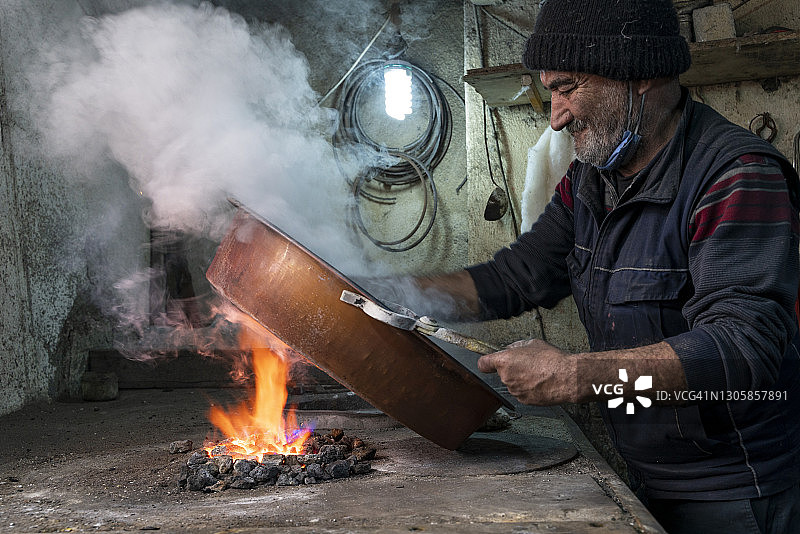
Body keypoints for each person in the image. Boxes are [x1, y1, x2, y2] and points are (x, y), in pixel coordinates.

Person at [391, 0, 800, 532]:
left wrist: (576, 376)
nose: (555, 116)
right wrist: (380, 293)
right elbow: (517, 277)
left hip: (737, 496)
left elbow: (743, 350)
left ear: (641, 77)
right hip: (646, 478)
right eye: (549, 91)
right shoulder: (591, 182)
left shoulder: (738, 177)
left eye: (567, 87)